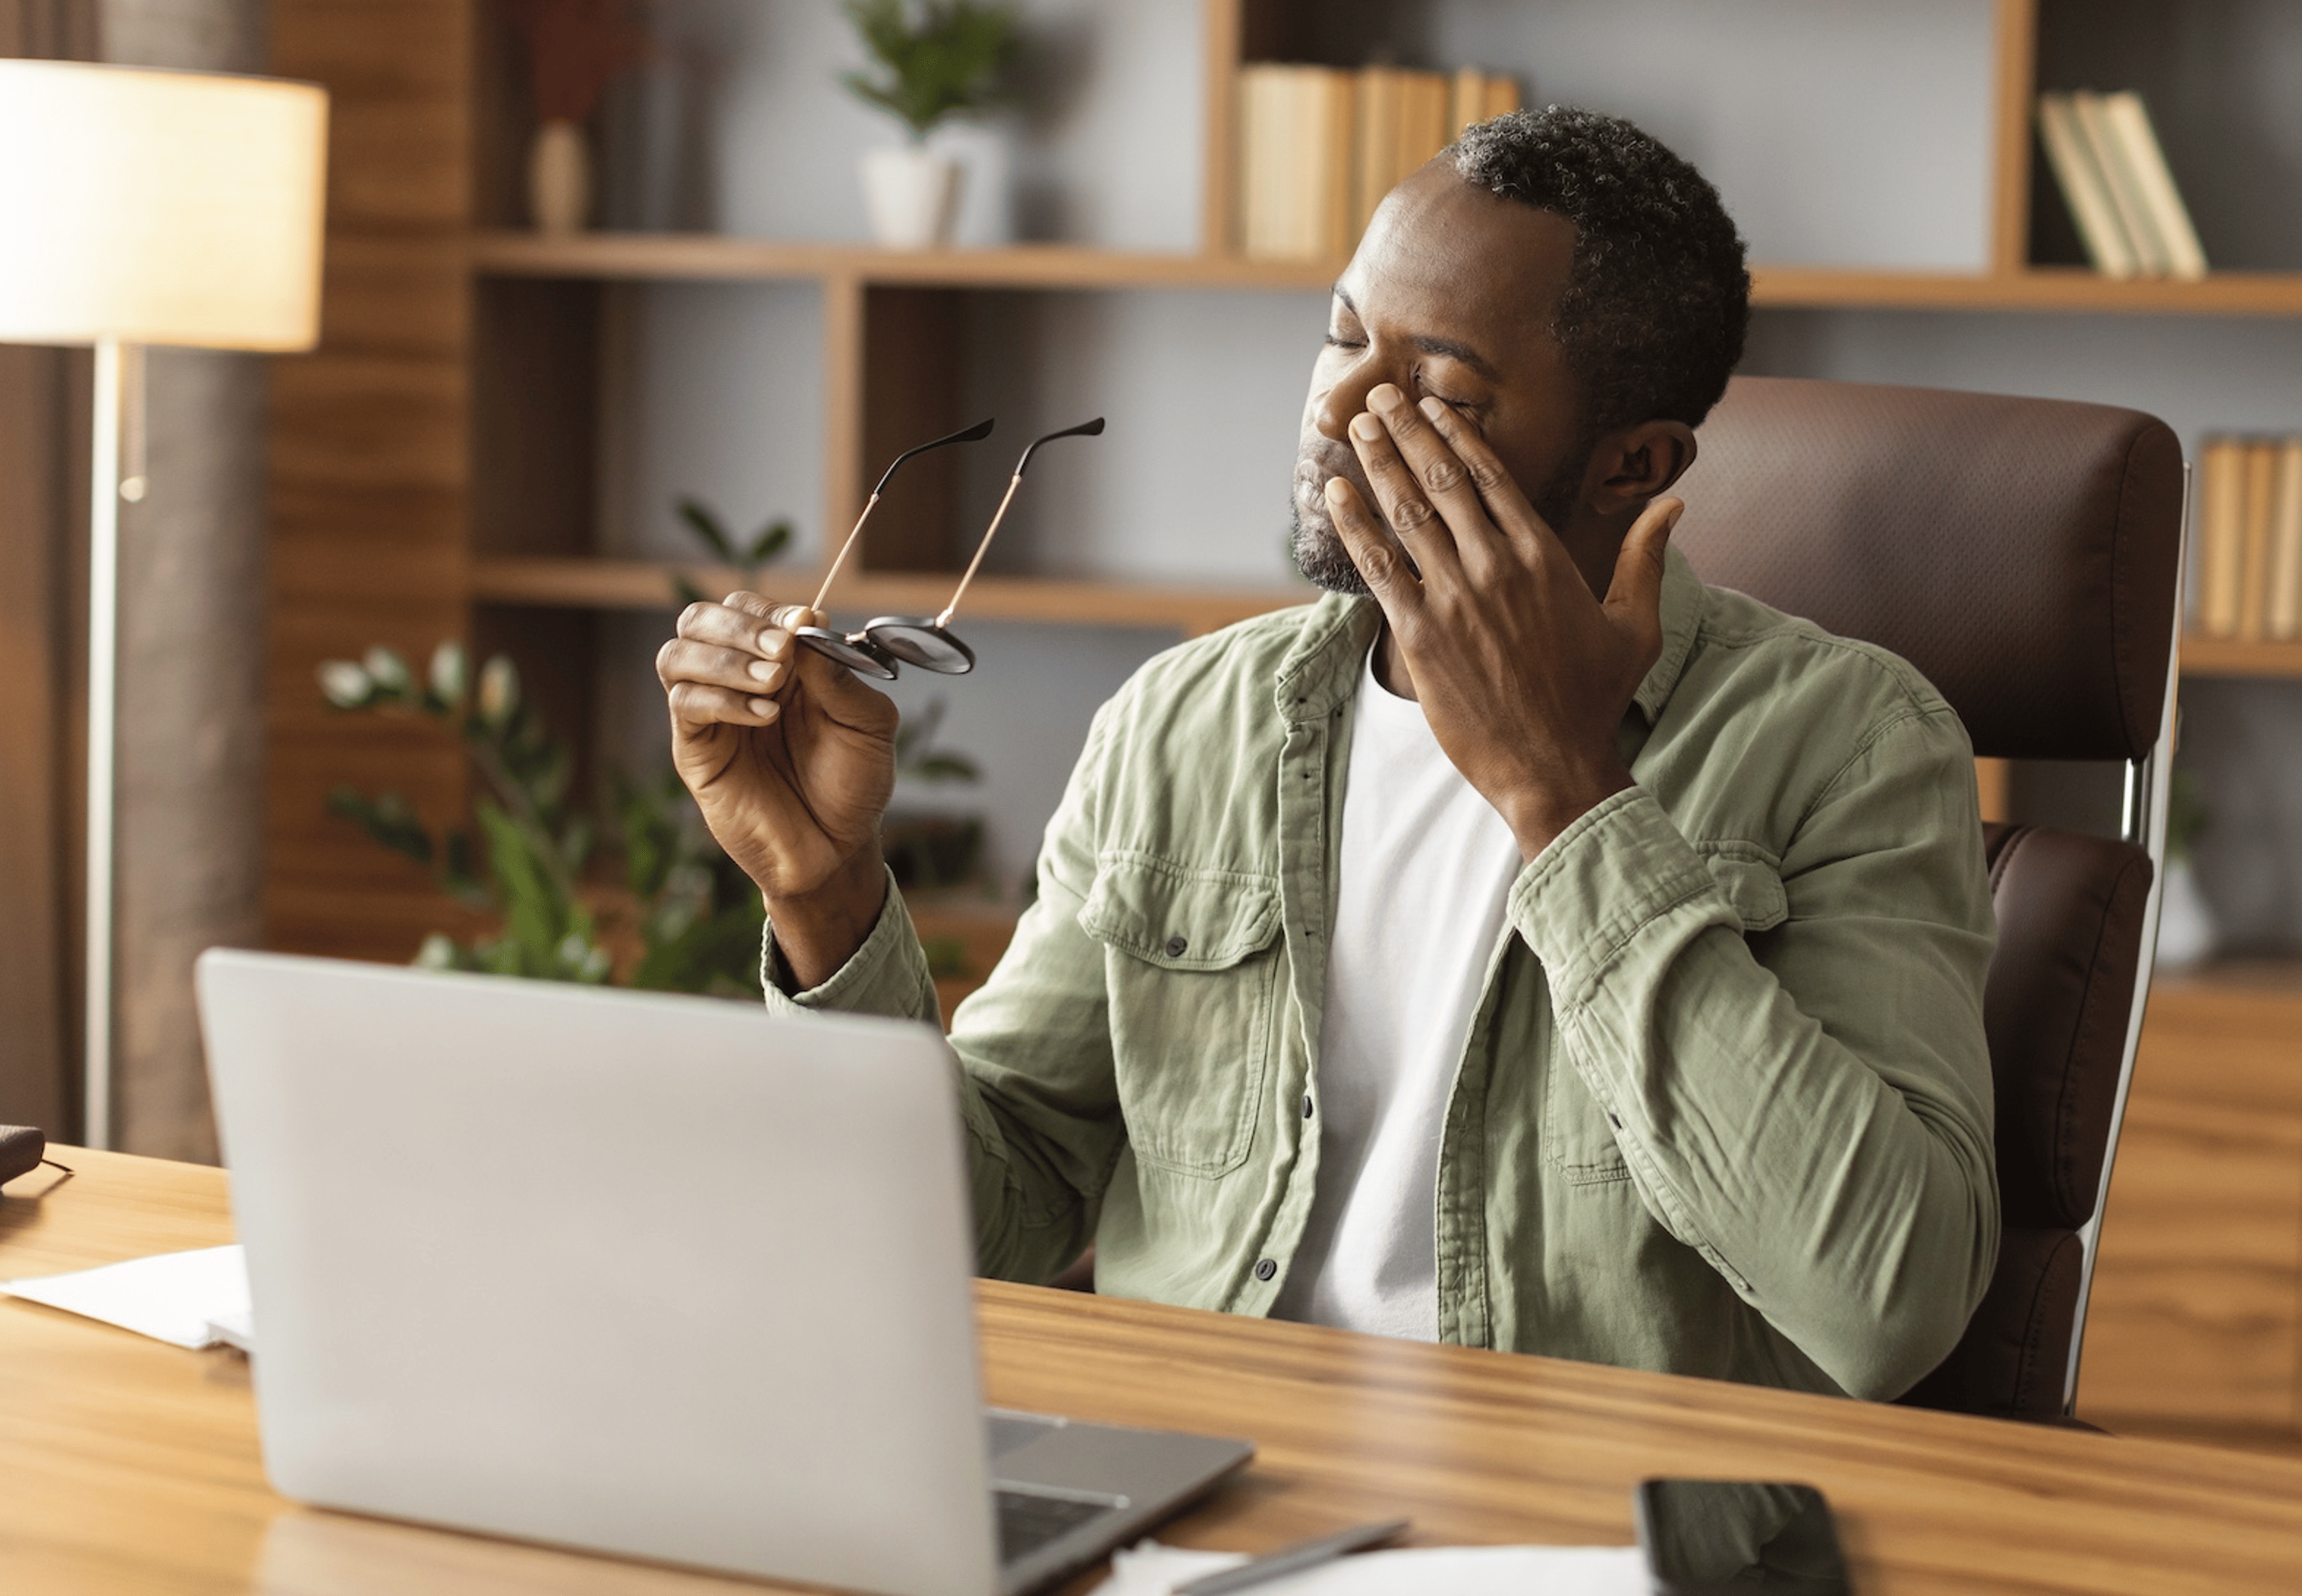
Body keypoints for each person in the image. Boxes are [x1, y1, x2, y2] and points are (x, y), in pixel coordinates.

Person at [654, 106, 1998, 1402]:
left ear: (1628, 463)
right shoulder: (1187, 721)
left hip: (1570, 1533)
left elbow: (1886, 1305)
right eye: (1342, 332)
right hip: (1192, 1482)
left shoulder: (1850, 744)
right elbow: (999, 1206)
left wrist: (1567, 796)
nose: (1342, 405)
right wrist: (823, 897)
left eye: (1436, 386)